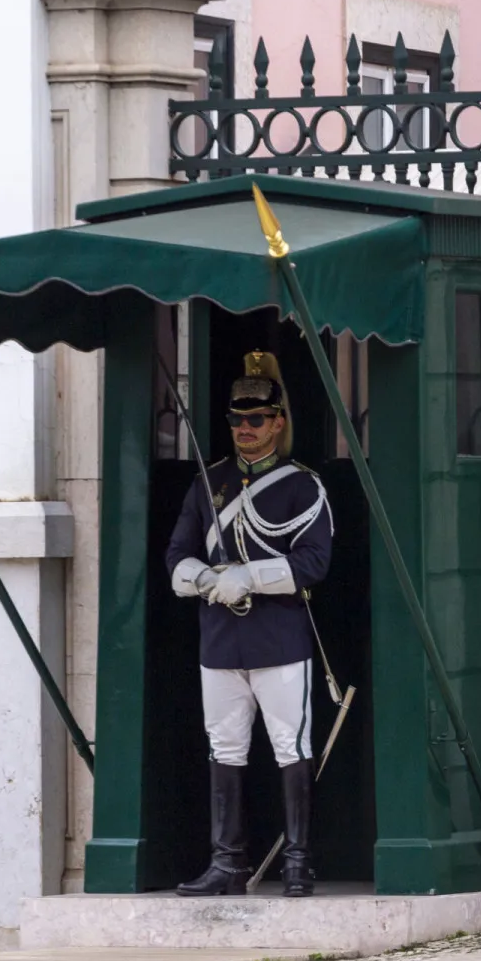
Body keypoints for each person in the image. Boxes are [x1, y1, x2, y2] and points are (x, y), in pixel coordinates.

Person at [165, 351, 333, 898]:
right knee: (225, 748)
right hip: (220, 641)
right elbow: (178, 553)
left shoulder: (300, 487)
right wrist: (196, 576)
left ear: (277, 421)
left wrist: (251, 578)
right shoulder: (209, 481)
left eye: (256, 419)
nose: (244, 429)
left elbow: (312, 563)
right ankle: (227, 863)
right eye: (237, 420)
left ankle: (299, 862)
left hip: (278, 638)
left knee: (291, 747)